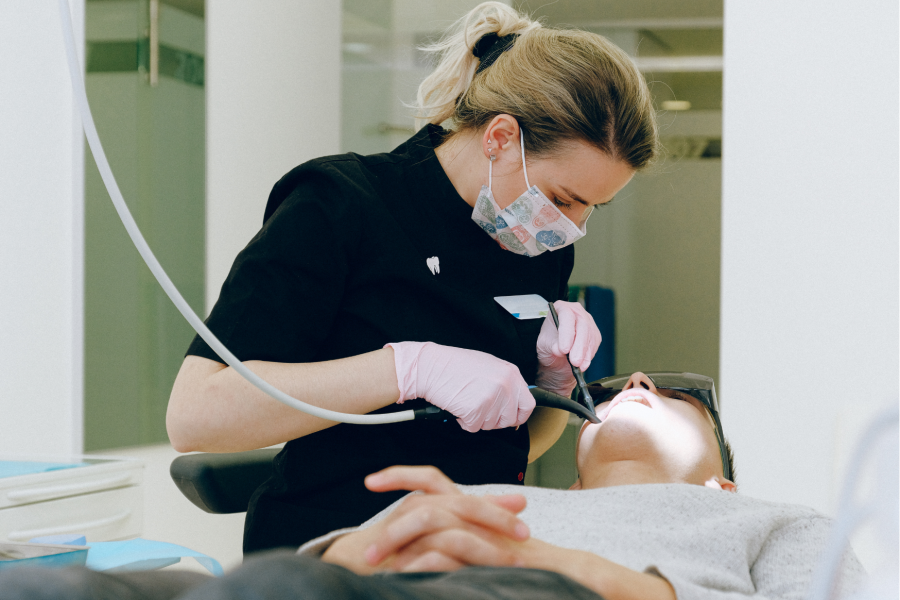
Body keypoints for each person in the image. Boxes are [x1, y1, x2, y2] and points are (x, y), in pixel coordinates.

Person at [165, 2, 659, 553]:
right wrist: (405, 369)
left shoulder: (535, 243)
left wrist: (551, 386)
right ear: (500, 137)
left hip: (466, 555)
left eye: (594, 207)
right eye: (564, 199)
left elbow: (515, 446)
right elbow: (196, 415)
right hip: (330, 557)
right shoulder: (340, 205)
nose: (572, 227)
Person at [1, 372, 864, 600]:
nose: (632, 380)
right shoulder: (504, 499)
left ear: (720, 480)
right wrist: (359, 543)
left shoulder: (775, 522)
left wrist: (594, 577)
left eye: (669, 393)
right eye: (623, 387)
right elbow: (326, 569)